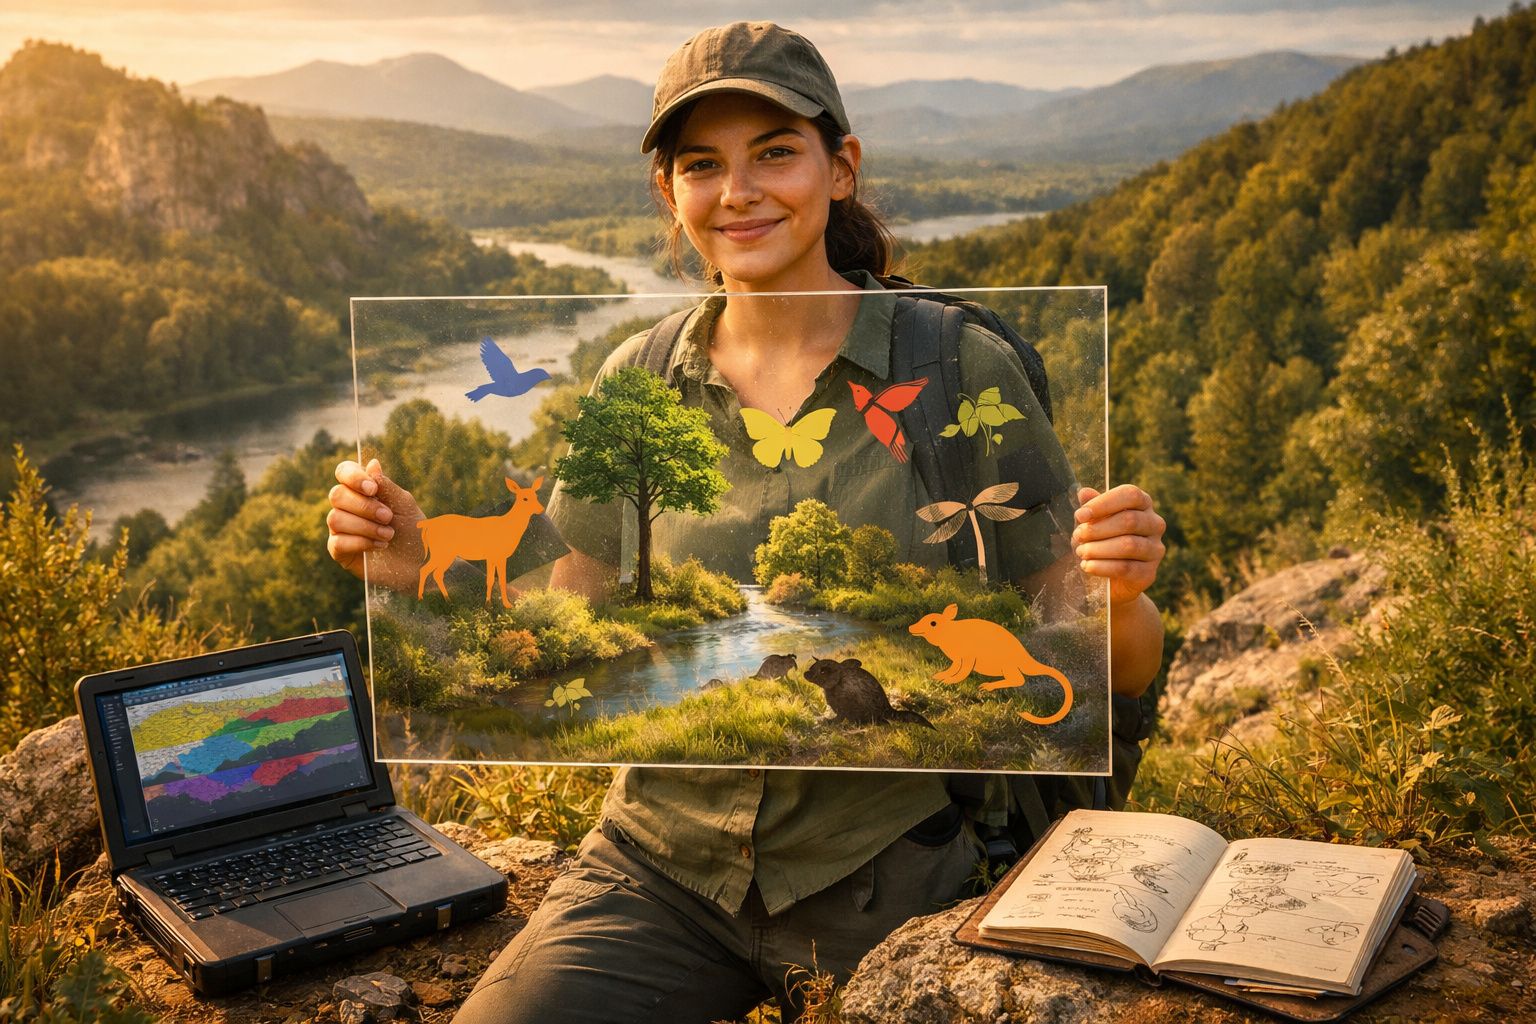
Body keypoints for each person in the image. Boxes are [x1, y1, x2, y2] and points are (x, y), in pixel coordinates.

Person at [326, 21, 1166, 1023]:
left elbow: (1116, 665)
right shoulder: (632, 381)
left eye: (775, 151)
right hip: (657, 869)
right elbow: (573, 624)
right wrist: (423, 569)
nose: (740, 191)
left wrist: (1119, 590)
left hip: (893, 874)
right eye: (702, 165)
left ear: (840, 168)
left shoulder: (955, 373)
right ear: (669, 197)